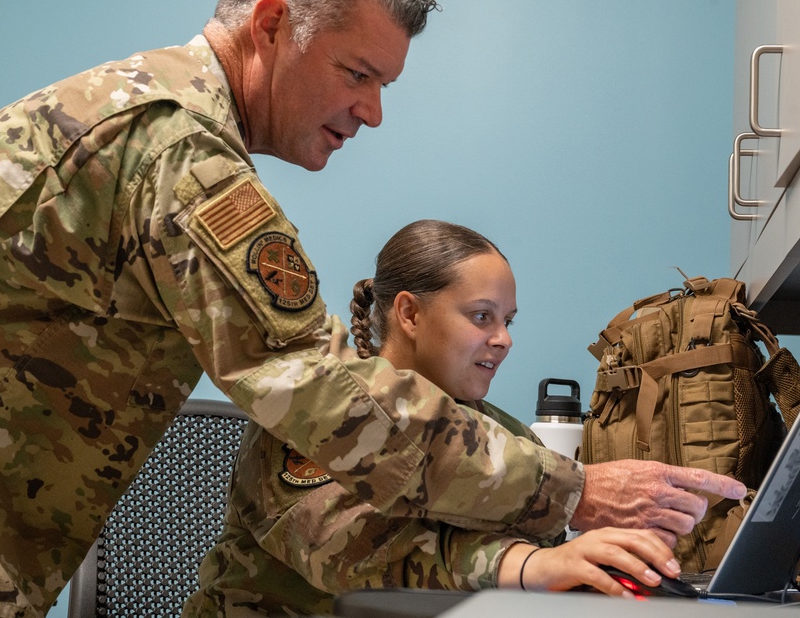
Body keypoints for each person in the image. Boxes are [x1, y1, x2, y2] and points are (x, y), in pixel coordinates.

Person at [0, 0, 744, 616]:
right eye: (358, 73)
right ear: (273, 25)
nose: (373, 111)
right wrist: (570, 493)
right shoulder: (179, 151)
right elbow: (325, 397)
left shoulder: (150, 117)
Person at [182, 219, 685, 616]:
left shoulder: (495, 433)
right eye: (482, 316)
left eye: (507, 321)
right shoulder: (323, 418)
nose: (504, 339)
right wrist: (527, 564)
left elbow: (542, 544)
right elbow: (348, 555)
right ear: (410, 314)